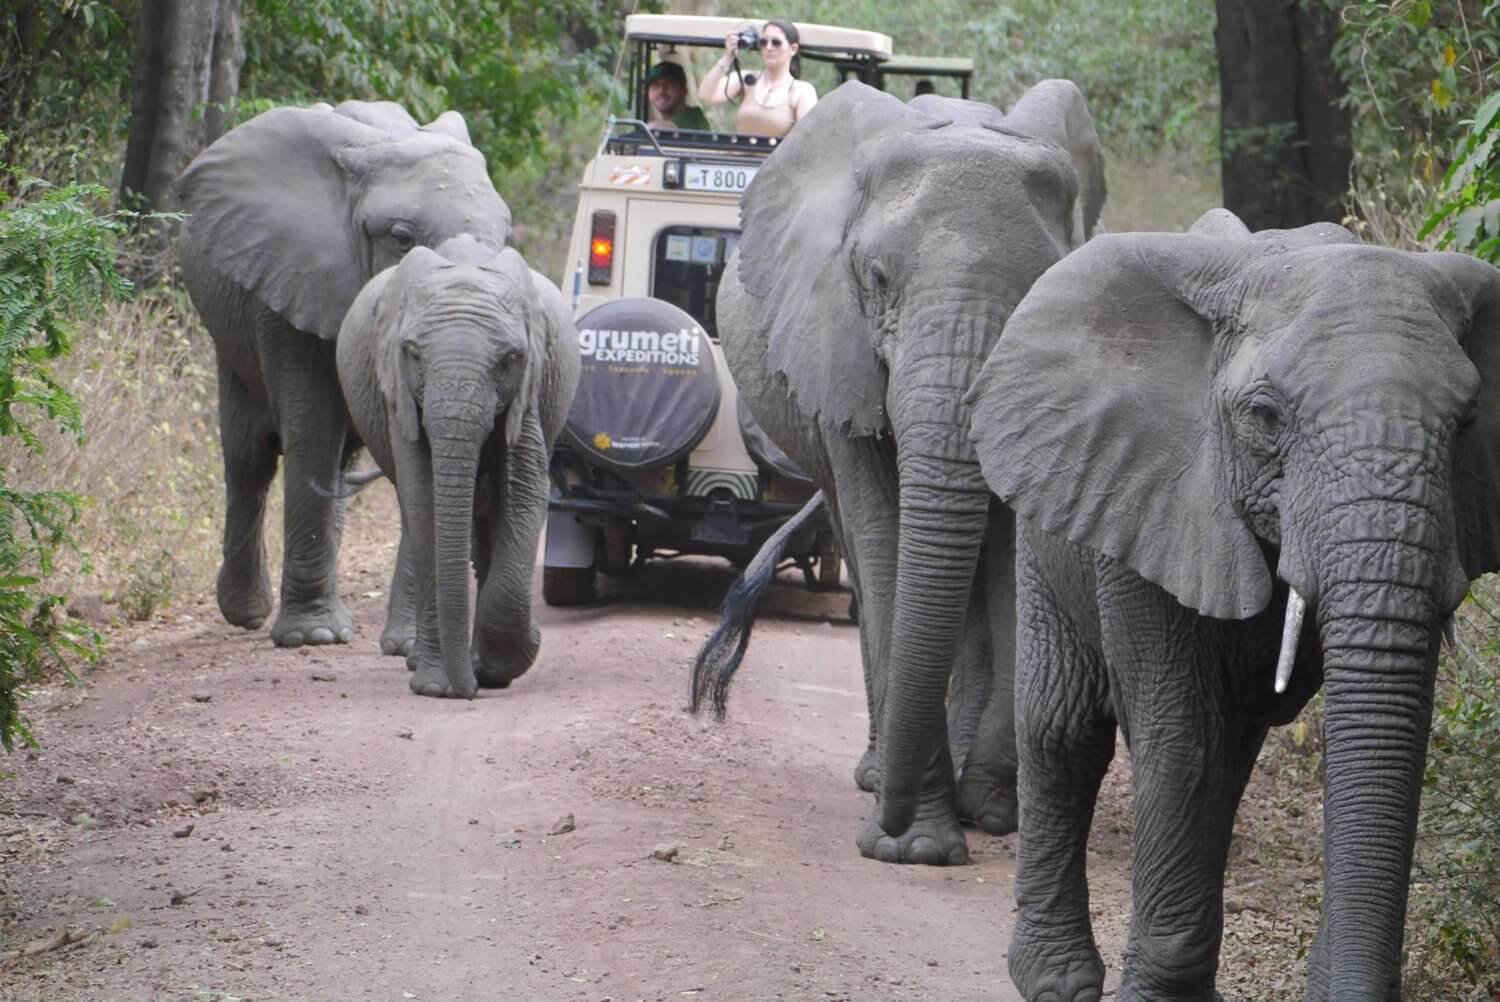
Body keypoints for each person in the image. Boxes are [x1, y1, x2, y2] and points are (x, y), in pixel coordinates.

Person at [697, 19, 817, 137]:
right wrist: (728, 56)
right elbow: (706, 95)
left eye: (776, 42)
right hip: (735, 155)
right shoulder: (747, 79)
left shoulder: (802, 91)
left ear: (793, 49)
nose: (769, 48)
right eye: (763, 42)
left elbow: (808, 137)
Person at [645, 60, 710, 131]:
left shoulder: (693, 117)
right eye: (656, 85)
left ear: (684, 91)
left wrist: (647, 130)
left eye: (669, 84)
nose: (661, 91)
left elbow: (659, 128)